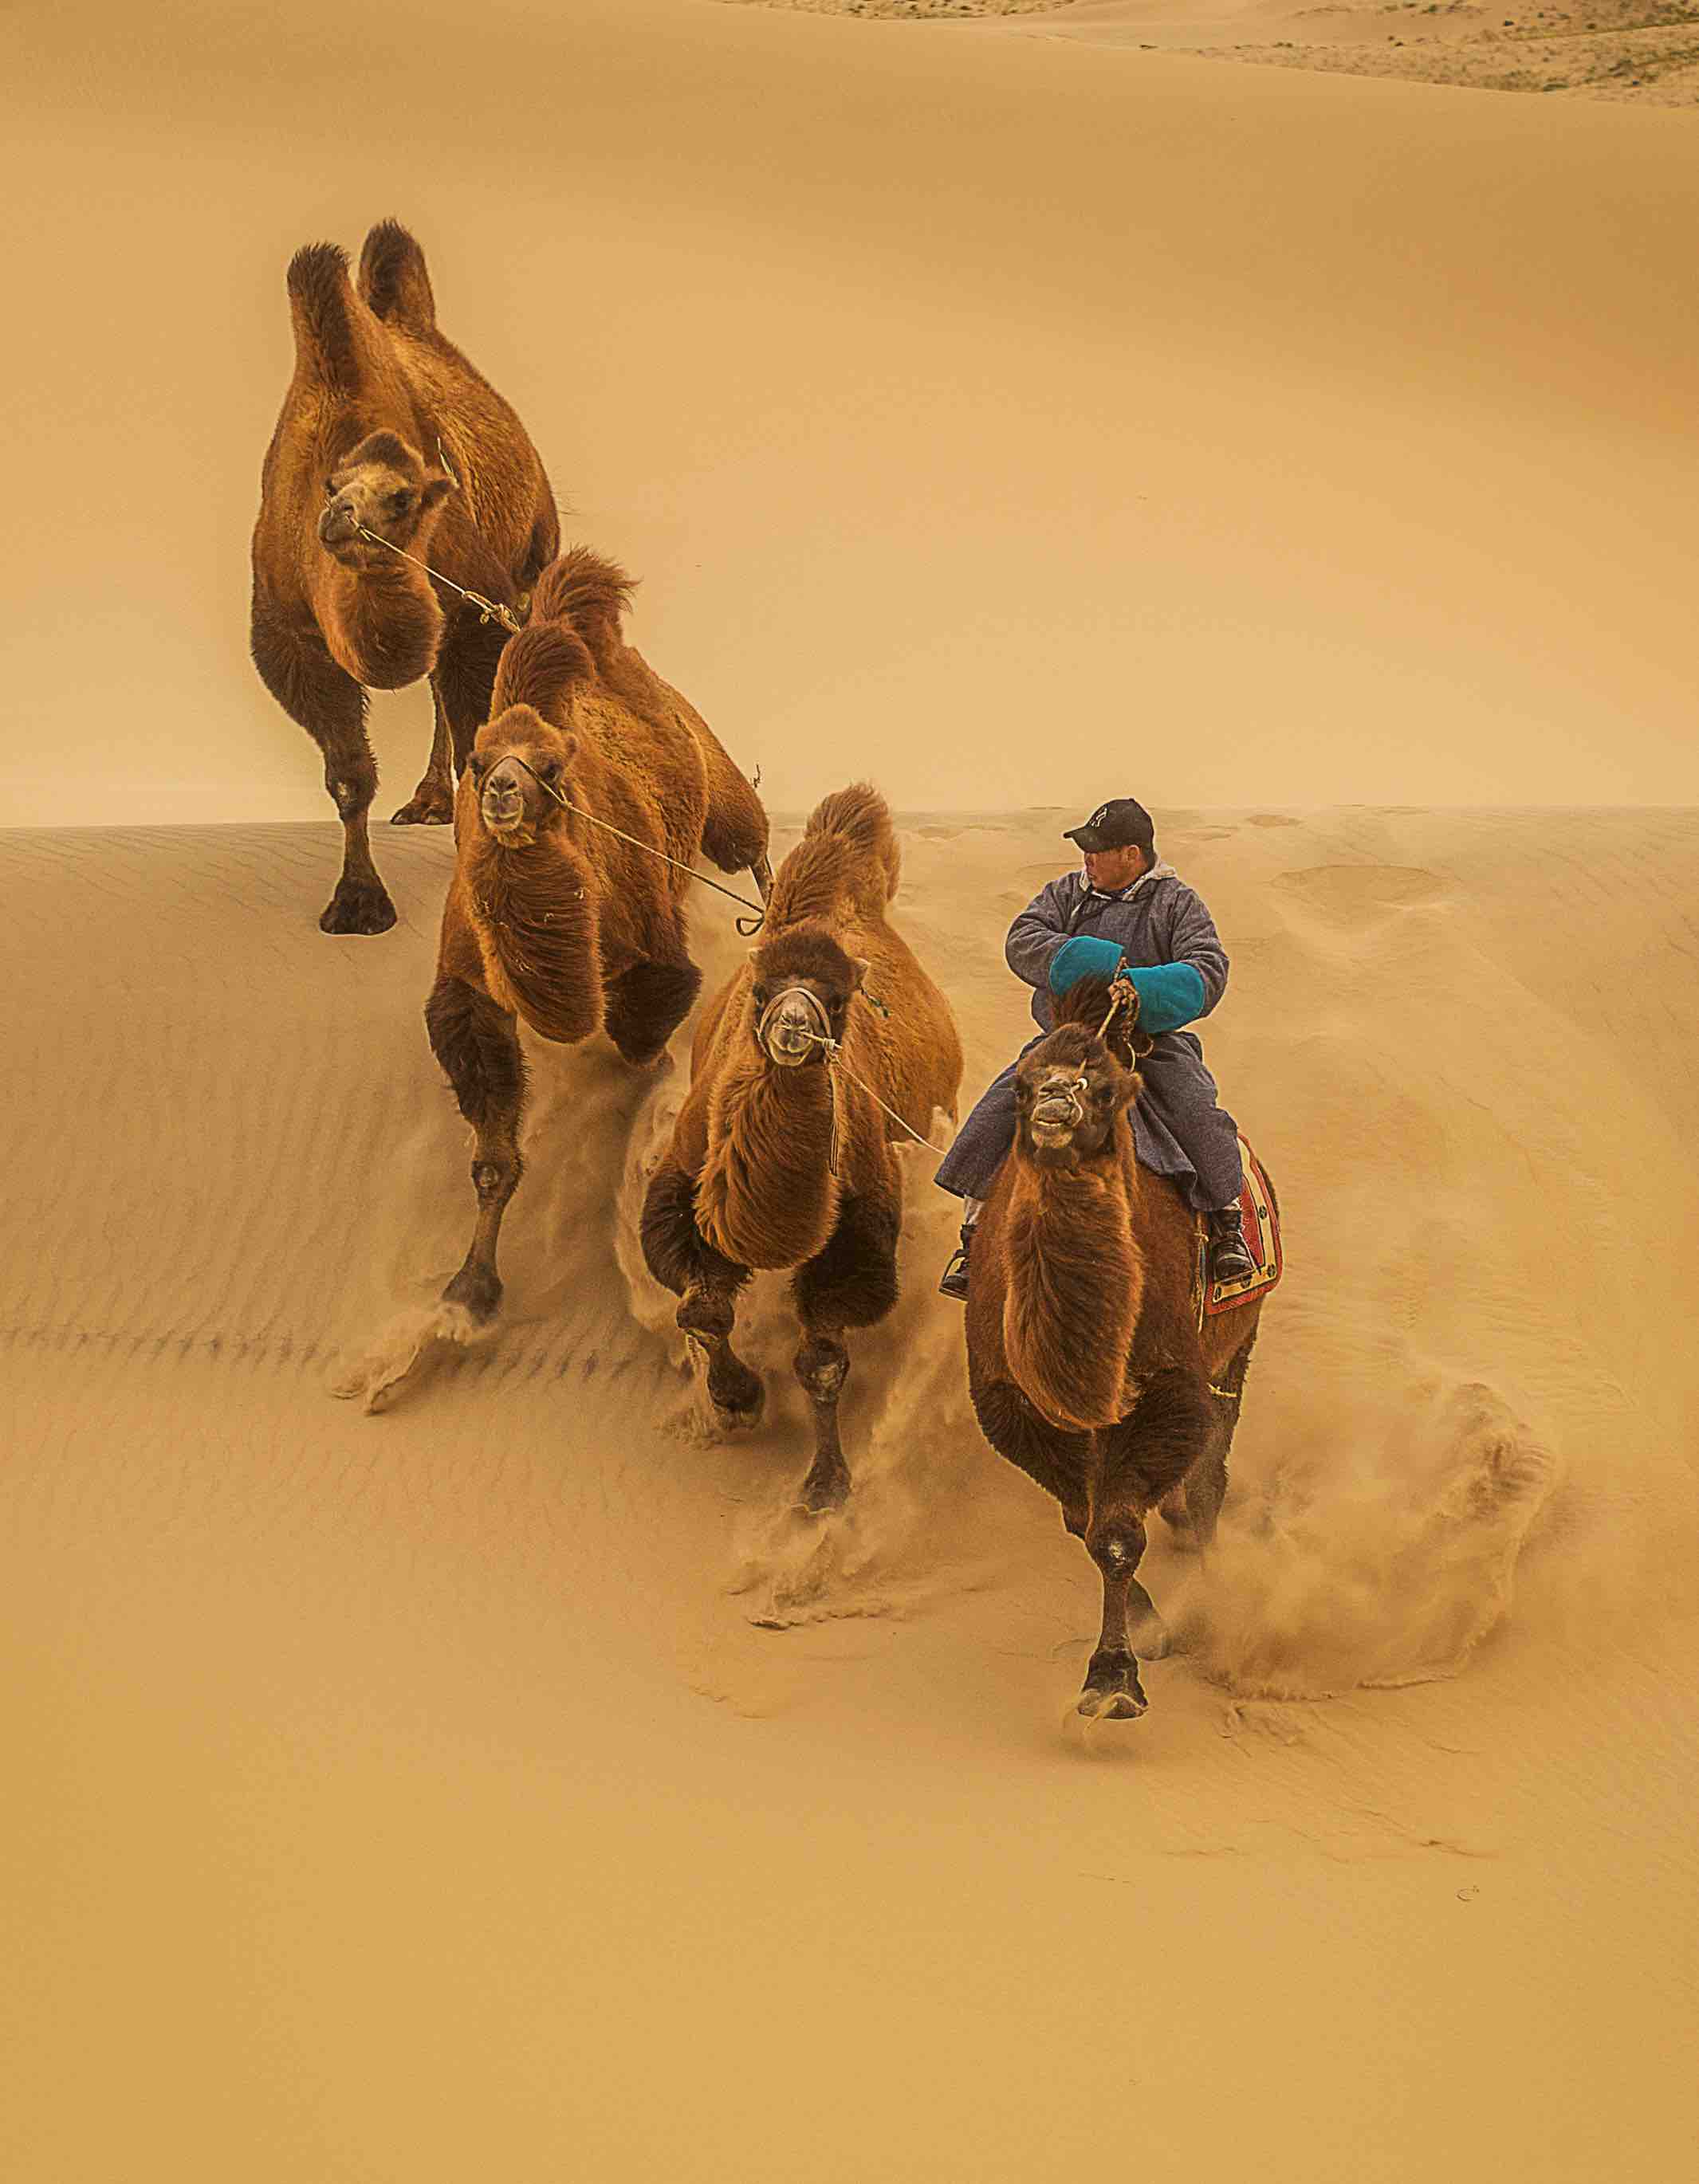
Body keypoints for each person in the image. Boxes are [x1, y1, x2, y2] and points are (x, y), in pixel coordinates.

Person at [936, 795, 1255, 1300]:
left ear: (1131, 854)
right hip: (1065, 1041)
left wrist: (1141, 990)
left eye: (1096, 850)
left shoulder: (1177, 903)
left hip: (1150, 1045)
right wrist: (1099, 965)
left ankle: (1226, 1226)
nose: (1086, 859)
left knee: (1197, 1109)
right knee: (1002, 1106)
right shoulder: (1067, 894)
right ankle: (974, 1238)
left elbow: (1208, 968)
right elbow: (1023, 938)